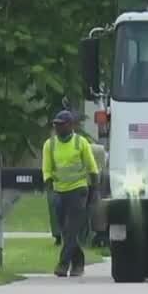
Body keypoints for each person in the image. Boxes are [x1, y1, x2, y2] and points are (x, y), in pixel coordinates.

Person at [42, 110, 100, 277]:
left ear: (71, 125)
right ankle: (78, 262)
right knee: (65, 230)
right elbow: (46, 169)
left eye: (61, 124)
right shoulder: (49, 144)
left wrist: (94, 191)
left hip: (79, 190)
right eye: (56, 124)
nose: (57, 127)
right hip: (59, 191)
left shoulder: (80, 143)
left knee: (71, 228)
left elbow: (92, 168)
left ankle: (63, 264)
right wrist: (50, 188)